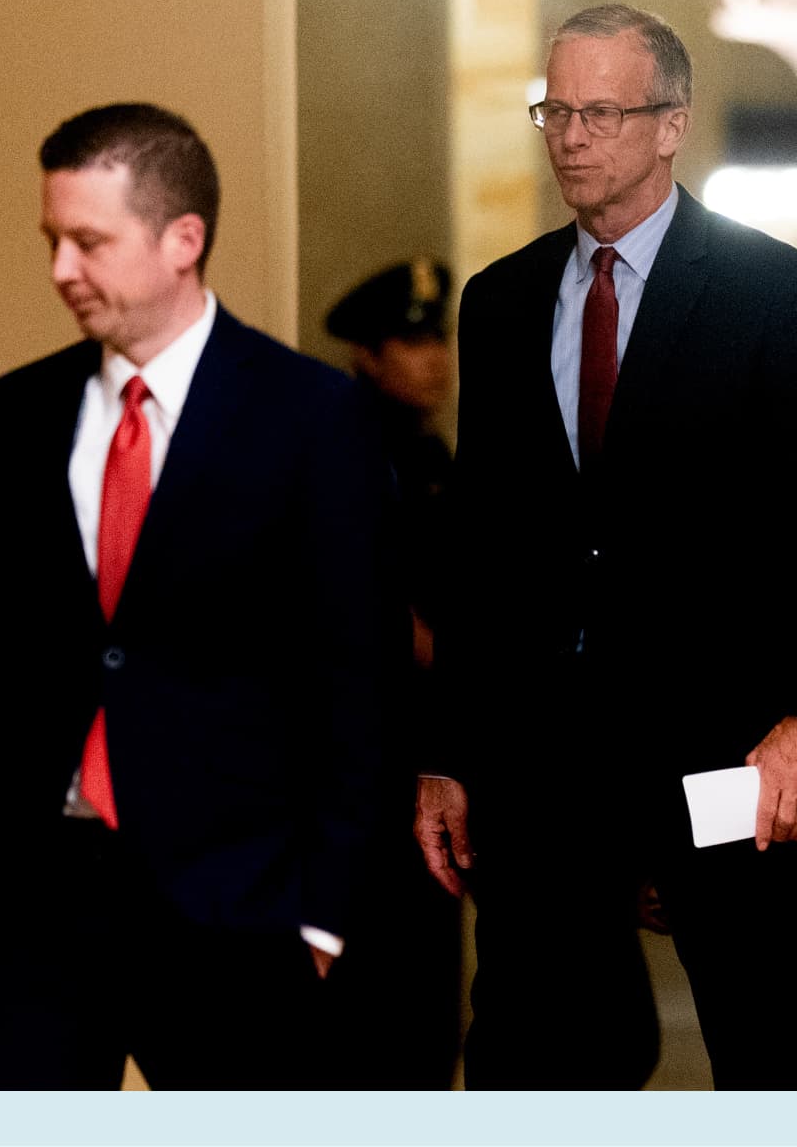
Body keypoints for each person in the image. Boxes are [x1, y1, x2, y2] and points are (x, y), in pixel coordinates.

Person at [414, 5, 797, 1089]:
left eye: (601, 112)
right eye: (555, 111)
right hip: (545, 766)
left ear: (672, 125)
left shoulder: (773, 291)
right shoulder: (503, 302)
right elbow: (484, 550)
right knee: (535, 1055)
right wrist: (448, 752)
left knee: (760, 1046)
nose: (572, 137)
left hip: (726, 747)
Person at [0, 103, 398, 1089]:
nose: (60, 271)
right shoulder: (16, 413)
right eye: (53, 241)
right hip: (20, 921)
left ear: (184, 239)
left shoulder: (313, 416)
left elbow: (362, 683)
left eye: (89, 242)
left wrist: (323, 915)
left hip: (241, 916)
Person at [318, 259, 463, 1088]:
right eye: (412, 340)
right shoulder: (346, 446)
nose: (434, 357)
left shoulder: (425, 451)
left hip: (425, 755)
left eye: (437, 336)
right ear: (368, 354)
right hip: (366, 768)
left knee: (421, 1014)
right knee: (376, 1018)